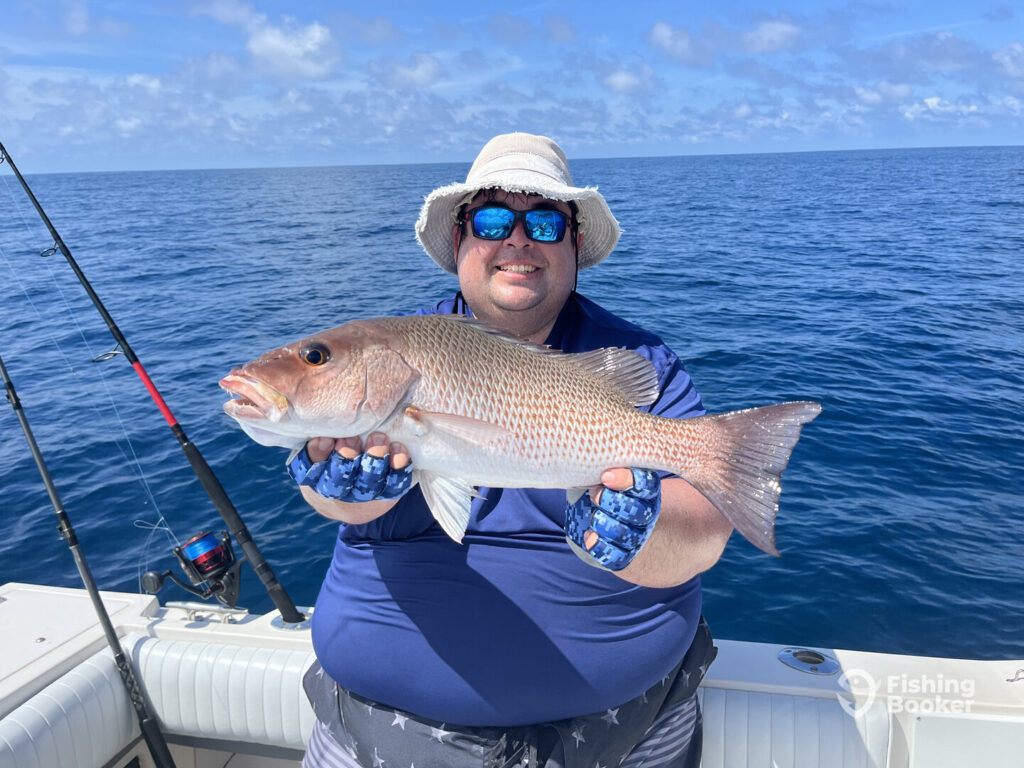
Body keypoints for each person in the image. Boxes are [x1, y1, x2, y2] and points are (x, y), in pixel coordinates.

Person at [292, 133, 734, 768]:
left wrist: (643, 532)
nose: (517, 239)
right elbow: (332, 495)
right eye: (493, 218)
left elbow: (704, 533)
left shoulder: (637, 363)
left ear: (575, 244)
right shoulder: (389, 349)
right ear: (460, 241)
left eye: (546, 221)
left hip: (622, 731)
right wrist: (331, 488)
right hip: (379, 731)